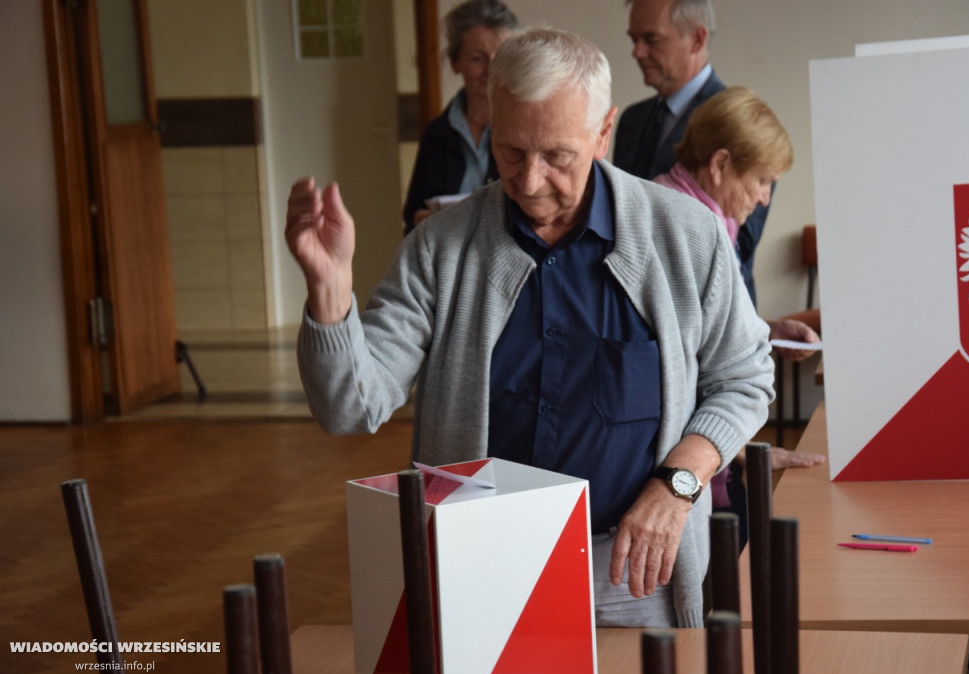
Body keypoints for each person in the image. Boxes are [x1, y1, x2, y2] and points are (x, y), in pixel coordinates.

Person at [286, 28, 774, 628]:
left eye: (557, 157)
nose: (532, 180)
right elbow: (348, 407)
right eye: (511, 152)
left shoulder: (685, 236)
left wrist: (678, 486)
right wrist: (331, 289)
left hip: (635, 572)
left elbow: (746, 379)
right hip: (481, 569)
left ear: (604, 131)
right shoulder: (441, 248)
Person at [652, 85, 824, 543]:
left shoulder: (701, 214)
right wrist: (742, 447)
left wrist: (765, 330)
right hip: (680, 473)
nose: (765, 198)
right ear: (721, 164)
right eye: (763, 180)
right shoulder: (686, 224)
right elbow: (676, 362)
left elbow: (698, 327)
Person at [613, 0, 768, 307]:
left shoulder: (743, 122)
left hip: (712, 317)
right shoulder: (631, 120)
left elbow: (740, 240)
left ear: (697, 38)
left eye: (651, 39)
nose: (637, 52)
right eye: (634, 40)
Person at [401, 0, 518, 234]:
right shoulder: (437, 134)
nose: (491, 69)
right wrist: (425, 226)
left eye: (501, 57)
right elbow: (412, 219)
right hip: (446, 264)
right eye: (478, 58)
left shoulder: (524, 131)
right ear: (456, 62)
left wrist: (455, 224)